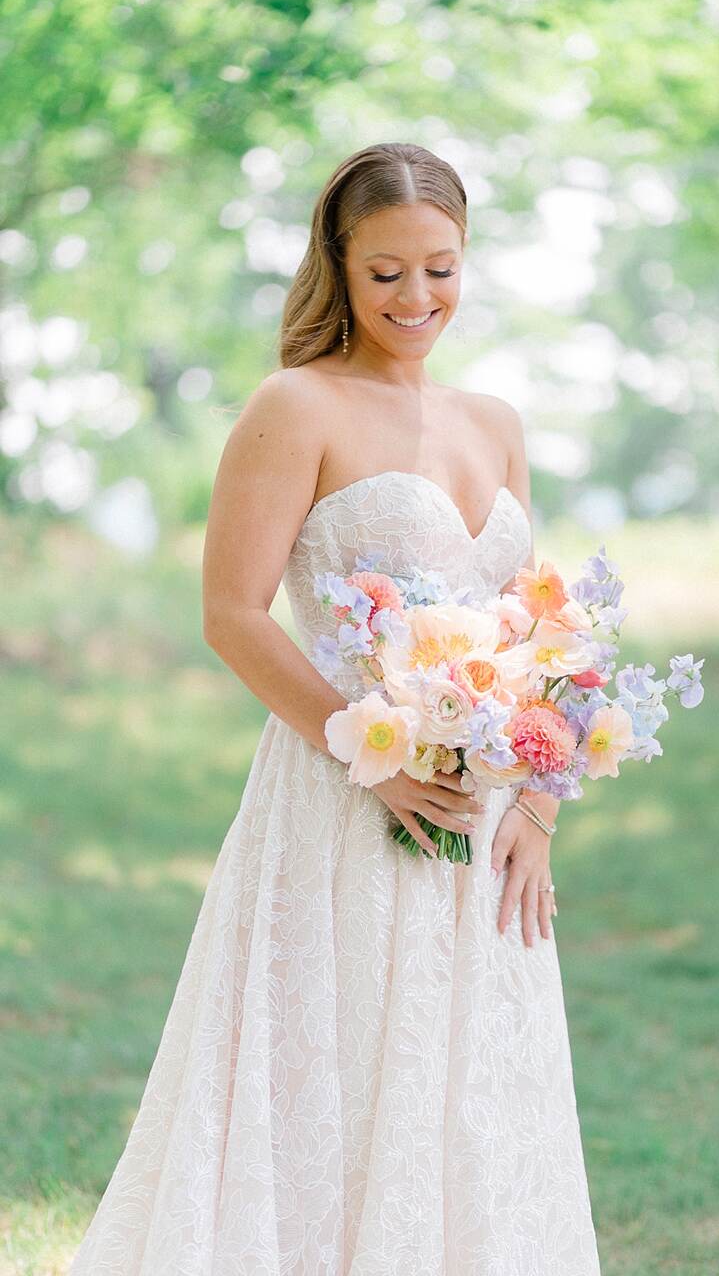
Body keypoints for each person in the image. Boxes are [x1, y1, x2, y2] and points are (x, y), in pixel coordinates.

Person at [68, 141, 601, 1275]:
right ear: (339, 267)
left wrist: (537, 806)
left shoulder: (496, 421)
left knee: (465, 1086)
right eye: (388, 272)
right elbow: (232, 612)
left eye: (441, 269)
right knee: (339, 1069)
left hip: (484, 812)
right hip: (342, 792)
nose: (418, 298)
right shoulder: (294, 404)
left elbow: (535, 627)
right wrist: (374, 760)